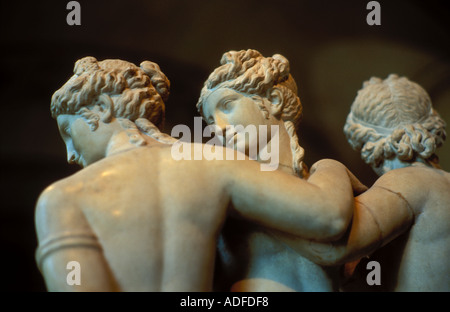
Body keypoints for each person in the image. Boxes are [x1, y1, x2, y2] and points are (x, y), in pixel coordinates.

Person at [35, 56, 361, 291]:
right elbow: (328, 217)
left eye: (67, 131)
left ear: (103, 108)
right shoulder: (214, 161)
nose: (70, 154)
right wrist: (331, 167)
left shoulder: (61, 198)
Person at [196, 49, 349, 291]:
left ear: (274, 100)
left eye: (226, 106)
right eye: (211, 121)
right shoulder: (224, 189)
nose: (218, 129)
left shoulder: (326, 183)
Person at [281, 74, 449, 291]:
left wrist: (329, 167)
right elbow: (377, 275)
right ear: (432, 121)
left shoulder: (404, 183)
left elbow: (329, 248)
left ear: (363, 141)